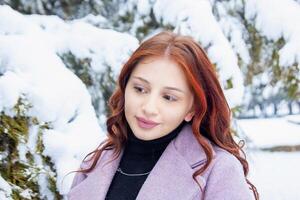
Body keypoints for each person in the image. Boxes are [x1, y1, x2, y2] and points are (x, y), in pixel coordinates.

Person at [67, 31, 259, 200]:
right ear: (125, 88)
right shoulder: (97, 161)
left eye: (169, 97)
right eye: (140, 89)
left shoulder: (218, 171)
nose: (149, 108)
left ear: (192, 109)